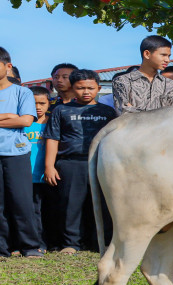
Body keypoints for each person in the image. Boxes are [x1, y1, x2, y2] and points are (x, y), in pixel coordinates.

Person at [43, 69, 117, 254]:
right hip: (70, 163)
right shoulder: (61, 110)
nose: (86, 92)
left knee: (102, 205)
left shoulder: (107, 111)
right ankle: (71, 244)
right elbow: (53, 138)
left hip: (101, 163)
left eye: (90, 88)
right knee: (70, 205)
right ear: (72, 88)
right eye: (80, 88)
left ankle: (102, 242)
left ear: (98, 88)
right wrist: (49, 166)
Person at [0, 47, 43, 258]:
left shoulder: (22, 92)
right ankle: (2, 248)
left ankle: (30, 246)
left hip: (15, 152)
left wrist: (14, 117)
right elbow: (17, 118)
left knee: (21, 200)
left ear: (8, 66)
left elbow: (26, 120)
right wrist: (8, 116)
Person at [112, 35, 173, 115]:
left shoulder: (171, 85)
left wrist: (134, 109)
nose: (167, 60)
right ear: (147, 54)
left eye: (169, 56)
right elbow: (124, 112)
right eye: (163, 55)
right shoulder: (123, 81)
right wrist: (162, 113)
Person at [24, 86, 51, 252]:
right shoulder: (21, 123)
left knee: (45, 211)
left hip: (46, 176)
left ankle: (44, 243)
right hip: (26, 176)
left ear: (49, 103)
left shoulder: (52, 123)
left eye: (42, 103)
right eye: (33, 103)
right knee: (30, 211)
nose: (38, 107)